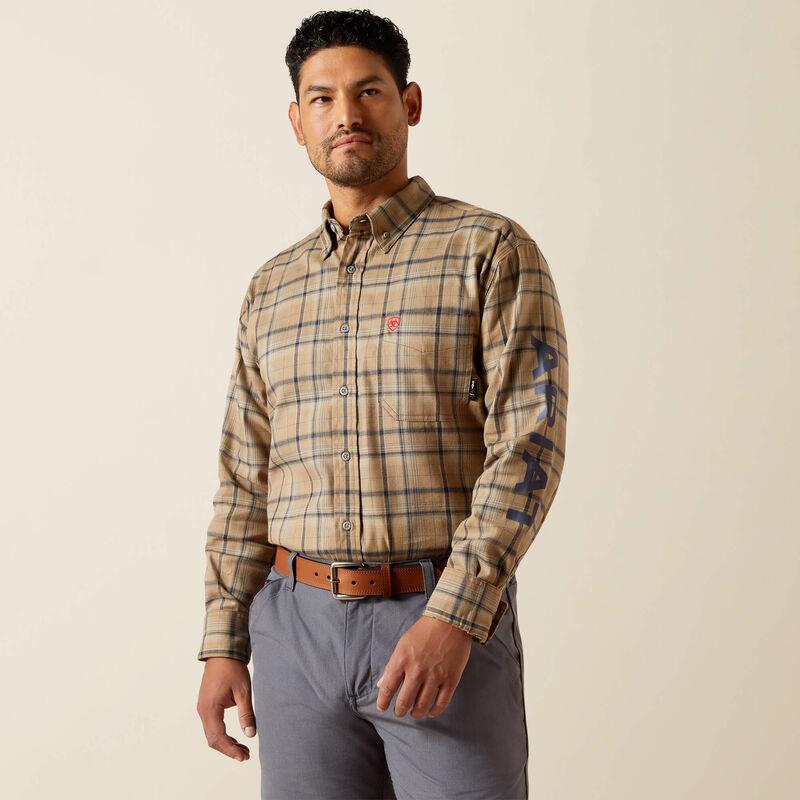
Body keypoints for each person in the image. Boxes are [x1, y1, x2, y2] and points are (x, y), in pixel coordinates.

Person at [195, 9, 569, 799]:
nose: (347, 114)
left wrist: (455, 615)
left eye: (368, 91)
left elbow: (528, 450)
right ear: (297, 122)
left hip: (437, 621)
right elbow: (244, 476)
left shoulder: (489, 251)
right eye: (322, 98)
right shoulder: (272, 288)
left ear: (410, 103)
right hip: (293, 634)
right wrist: (223, 640)